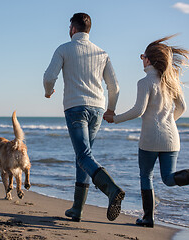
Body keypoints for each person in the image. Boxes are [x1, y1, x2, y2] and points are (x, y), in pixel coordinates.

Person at [104, 35, 189, 228]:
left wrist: (114, 118)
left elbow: (138, 110)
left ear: (149, 60)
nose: (141, 59)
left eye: (143, 56)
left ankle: (148, 218)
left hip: (150, 139)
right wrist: (168, 121)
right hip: (172, 139)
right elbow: (182, 107)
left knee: (146, 176)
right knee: (168, 178)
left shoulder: (145, 82)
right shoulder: (171, 81)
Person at [43, 12, 125, 222]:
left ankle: (111, 189)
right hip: (97, 108)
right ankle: (77, 209)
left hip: (75, 107)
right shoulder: (101, 52)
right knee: (84, 155)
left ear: (73, 28)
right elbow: (114, 86)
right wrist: (111, 109)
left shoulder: (64, 49)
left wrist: (48, 91)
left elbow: (49, 76)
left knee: (83, 156)